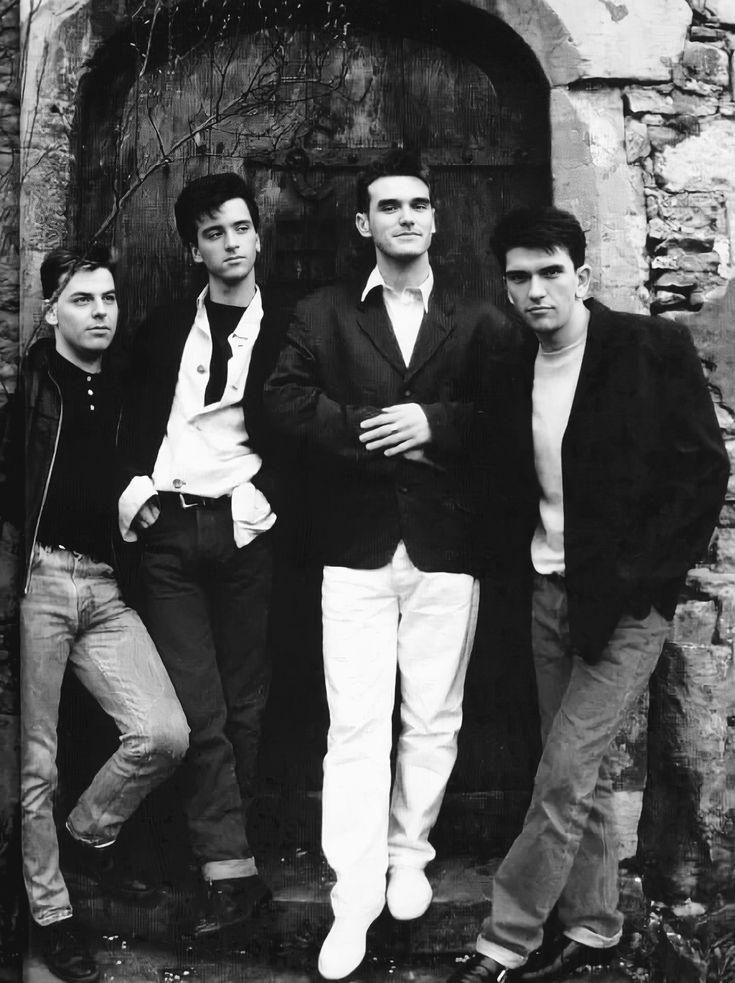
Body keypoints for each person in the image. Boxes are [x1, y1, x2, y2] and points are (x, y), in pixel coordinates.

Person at [448, 206, 730, 983]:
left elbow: (702, 471)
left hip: (626, 601)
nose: (535, 290)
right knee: (583, 769)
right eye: (518, 277)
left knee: (564, 771)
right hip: (546, 590)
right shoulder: (510, 366)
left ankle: (504, 939)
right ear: (504, 287)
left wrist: (648, 581)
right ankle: (597, 927)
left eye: (549, 272)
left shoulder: (647, 348)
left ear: (580, 273)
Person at [264, 150, 521, 980]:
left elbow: (508, 411)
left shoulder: (478, 317)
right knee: (355, 724)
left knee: (433, 716)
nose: (406, 216)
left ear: (436, 220)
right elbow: (283, 397)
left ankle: (408, 853)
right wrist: (372, 425)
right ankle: (353, 894)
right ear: (363, 224)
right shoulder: (324, 310)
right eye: (388, 205)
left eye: (418, 204)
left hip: (447, 545)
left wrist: (433, 423)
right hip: (354, 545)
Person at [0, 246, 189, 983]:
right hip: (43, 579)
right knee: (36, 763)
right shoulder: (34, 383)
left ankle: (84, 837)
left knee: (165, 733)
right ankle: (51, 917)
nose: (101, 312)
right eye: (83, 300)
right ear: (52, 310)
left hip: (106, 586)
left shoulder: (129, 387)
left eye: (109, 298)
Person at [117, 172, 282, 937]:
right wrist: (135, 492)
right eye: (213, 232)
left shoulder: (289, 326)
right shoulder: (158, 331)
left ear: (258, 236)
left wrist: (276, 496)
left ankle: (224, 860)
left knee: (246, 703)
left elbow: (305, 421)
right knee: (198, 705)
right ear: (194, 248)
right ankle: (229, 870)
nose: (230, 244)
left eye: (240, 228)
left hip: (248, 526)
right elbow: (119, 424)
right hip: (171, 534)